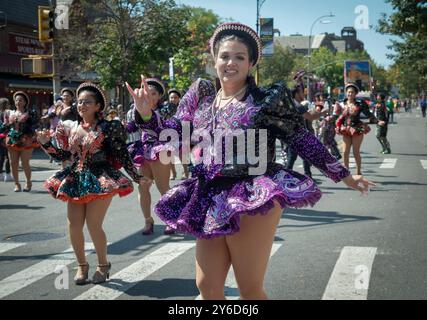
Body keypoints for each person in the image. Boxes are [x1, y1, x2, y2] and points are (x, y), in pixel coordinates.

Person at [126, 22, 375, 300]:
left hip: (253, 193)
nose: (230, 63)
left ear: (251, 63)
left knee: (249, 289)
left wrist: (345, 175)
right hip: (209, 193)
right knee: (207, 287)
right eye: (224, 56)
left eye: (239, 57)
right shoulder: (201, 96)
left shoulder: (266, 100)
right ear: (214, 59)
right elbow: (172, 133)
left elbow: (302, 139)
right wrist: (146, 114)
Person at [36, 82, 150, 285]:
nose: (82, 105)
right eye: (79, 102)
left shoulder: (109, 127)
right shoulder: (69, 127)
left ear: (98, 106)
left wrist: (136, 176)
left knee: (93, 224)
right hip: (76, 178)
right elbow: (62, 155)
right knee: (73, 225)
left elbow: (121, 154)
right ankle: (82, 265)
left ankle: (103, 264)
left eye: (87, 102)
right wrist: (46, 144)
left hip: (101, 178)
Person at [126, 78, 175, 236]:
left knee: (163, 187)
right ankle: (148, 220)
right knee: (143, 186)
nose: (148, 96)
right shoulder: (135, 110)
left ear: (159, 96)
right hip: (142, 150)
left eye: (153, 93)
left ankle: (170, 218)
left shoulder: (165, 111)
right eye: (146, 92)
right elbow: (131, 128)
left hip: (161, 150)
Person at [336, 83, 385, 175]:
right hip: (346, 129)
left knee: (355, 152)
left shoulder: (360, 103)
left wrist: (377, 121)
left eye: (352, 92)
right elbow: (338, 116)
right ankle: (346, 171)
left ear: (355, 94)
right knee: (345, 152)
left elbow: (368, 114)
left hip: (357, 129)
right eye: (348, 92)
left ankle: (358, 172)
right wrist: (334, 123)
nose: (350, 94)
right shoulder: (342, 103)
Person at [0, 92, 39, 192]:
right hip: (12, 140)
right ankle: (17, 184)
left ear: (25, 102)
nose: (18, 102)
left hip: (26, 140)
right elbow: (5, 126)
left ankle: (28, 182)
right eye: (16, 100)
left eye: (20, 100)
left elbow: (35, 125)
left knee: (25, 162)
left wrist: (29, 133)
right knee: (13, 163)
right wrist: (5, 129)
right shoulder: (9, 113)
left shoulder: (30, 113)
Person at [160, 88, 190, 180]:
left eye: (175, 97)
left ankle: (186, 172)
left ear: (179, 98)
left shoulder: (183, 108)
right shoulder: (165, 108)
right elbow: (162, 120)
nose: (173, 99)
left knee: (182, 154)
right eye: (171, 97)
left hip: (181, 133)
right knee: (169, 154)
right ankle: (173, 173)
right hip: (168, 133)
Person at [0, 98, 12, 182]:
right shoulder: (8, 112)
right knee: (8, 156)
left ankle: (0, 174)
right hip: (7, 135)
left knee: (1, 156)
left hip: (0, 135)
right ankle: (7, 174)